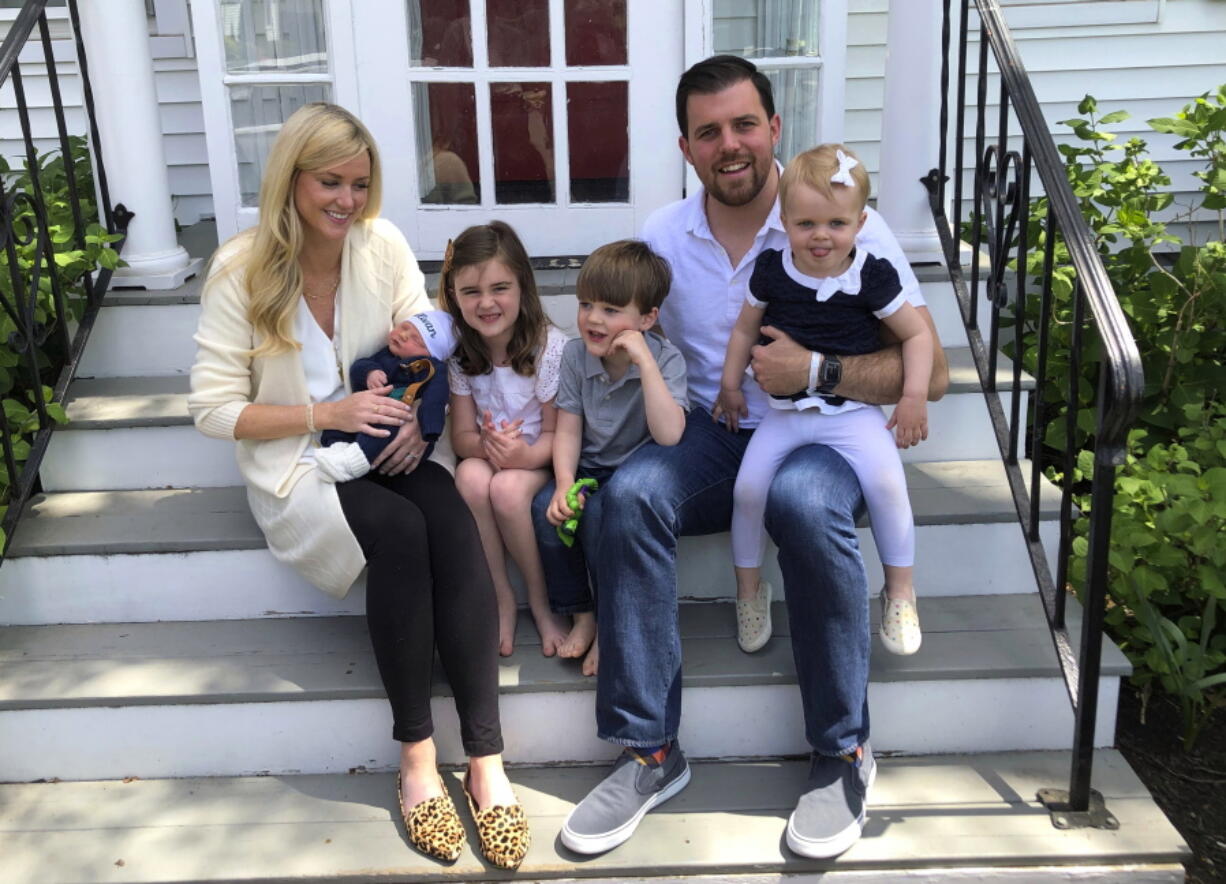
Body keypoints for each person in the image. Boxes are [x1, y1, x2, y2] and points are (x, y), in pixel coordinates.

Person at [555, 57, 949, 859]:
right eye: (709, 133)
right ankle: (650, 752)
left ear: (774, 128)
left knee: (805, 503)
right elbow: (604, 325)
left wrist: (816, 371)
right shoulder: (664, 237)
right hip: (716, 430)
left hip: (831, 430)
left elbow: (931, 373)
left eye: (743, 125)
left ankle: (842, 754)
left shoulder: (843, 222)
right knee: (629, 496)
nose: (728, 145)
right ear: (686, 147)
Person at [187, 103, 529, 871]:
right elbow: (212, 409)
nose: (346, 201)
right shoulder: (240, 269)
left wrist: (415, 422)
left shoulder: (381, 247)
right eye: (329, 183)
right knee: (402, 533)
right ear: (291, 180)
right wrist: (324, 412)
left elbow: (428, 343)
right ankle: (415, 756)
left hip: (383, 440)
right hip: (297, 463)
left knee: (447, 513)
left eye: (359, 184)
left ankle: (487, 761)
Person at [717, 144, 931, 657]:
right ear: (784, 221)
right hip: (785, 415)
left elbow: (917, 337)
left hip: (852, 415)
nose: (820, 236)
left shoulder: (871, 276)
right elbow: (745, 328)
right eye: (806, 223)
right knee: (748, 490)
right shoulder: (771, 271)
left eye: (836, 223)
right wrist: (729, 385)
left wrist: (913, 397)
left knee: (886, 482)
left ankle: (900, 591)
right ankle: (750, 592)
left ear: (859, 223)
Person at [531, 240, 689, 676]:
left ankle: (611, 626)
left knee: (604, 520)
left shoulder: (666, 360)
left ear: (647, 318)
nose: (594, 318)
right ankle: (583, 615)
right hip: (585, 468)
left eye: (611, 309)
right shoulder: (575, 356)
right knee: (548, 513)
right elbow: (568, 427)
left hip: (634, 472)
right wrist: (563, 483)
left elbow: (670, 434)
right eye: (586, 304)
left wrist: (645, 363)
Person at [437, 221, 572, 658]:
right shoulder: (461, 350)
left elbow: (560, 432)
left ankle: (540, 599)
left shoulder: (549, 348)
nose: (487, 303)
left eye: (500, 287)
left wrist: (521, 455)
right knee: (472, 480)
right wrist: (486, 447)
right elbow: (461, 436)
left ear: (523, 287)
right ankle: (501, 598)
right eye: (471, 292)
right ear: (454, 295)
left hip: (538, 455)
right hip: (492, 451)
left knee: (509, 489)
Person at [315, 310, 456, 483]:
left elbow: (436, 398)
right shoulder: (386, 354)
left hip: (401, 422)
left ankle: (352, 464)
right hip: (373, 409)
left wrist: (430, 428)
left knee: (382, 428)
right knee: (342, 420)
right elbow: (361, 365)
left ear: (430, 354)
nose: (403, 335)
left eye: (416, 339)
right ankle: (337, 449)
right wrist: (369, 372)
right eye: (404, 327)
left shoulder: (432, 369)